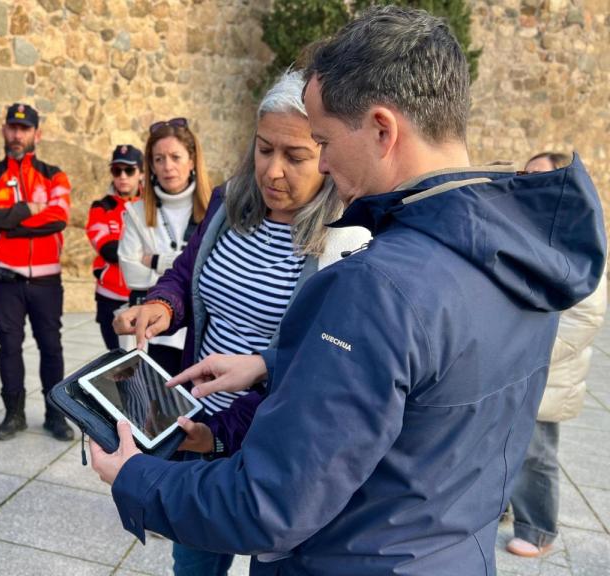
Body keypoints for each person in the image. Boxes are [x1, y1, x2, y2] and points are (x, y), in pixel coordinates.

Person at [89, 6, 607, 575]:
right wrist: (272, 362)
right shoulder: (521, 252)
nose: (323, 163)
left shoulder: (374, 284)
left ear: (383, 129)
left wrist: (134, 476)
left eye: (321, 141)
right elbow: (432, 384)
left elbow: (272, 504)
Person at [114, 71, 369, 576]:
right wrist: (164, 307)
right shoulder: (231, 204)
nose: (273, 172)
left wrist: (221, 433)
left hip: (270, 446)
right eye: (263, 149)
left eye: (295, 156)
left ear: (327, 152)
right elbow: (189, 269)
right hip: (196, 427)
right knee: (193, 563)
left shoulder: (343, 241)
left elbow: (312, 365)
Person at [505, 151, 608, 558]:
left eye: (539, 176)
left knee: (536, 454)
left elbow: (587, 315)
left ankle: (538, 530)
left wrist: (533, 352)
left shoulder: (575, 232)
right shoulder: (521, 225)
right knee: (502, 441)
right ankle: (503, 509)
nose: (527, 181)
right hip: (513, 364)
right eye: (524, 173)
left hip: (546, 370)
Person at [0, 103, 74, 442]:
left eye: (24, 129)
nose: (18, 135)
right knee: (9, 347)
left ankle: (55, 415)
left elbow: (59, 217)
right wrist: (30, 210)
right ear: (4, 131)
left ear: (36, 134)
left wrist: (8, 224)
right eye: (13, 128)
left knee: (51, 348)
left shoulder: (55, 174)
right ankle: (13, 415)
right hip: (4, 279)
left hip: (46, 279)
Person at [118, 118, 212, 377]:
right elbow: (130, 274)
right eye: (159, 159)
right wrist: (182, 265)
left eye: (175, 157)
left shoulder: (216, 211)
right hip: (152, 336)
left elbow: (207, 272)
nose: (168, 166)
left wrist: (156, 260)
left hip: (197, 334)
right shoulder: (136, 212)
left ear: (192, 161)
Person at [87, 144, 143, 350]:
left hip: (144, 297)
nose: (122, 176)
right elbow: (108, 250)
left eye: (129, 170)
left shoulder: (153, 208)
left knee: (146, 363)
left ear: (141, 173)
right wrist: (146, 253)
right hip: (109, 297)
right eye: (116, 170)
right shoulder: (100, 207)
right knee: (116, 362)